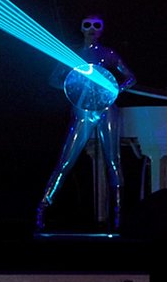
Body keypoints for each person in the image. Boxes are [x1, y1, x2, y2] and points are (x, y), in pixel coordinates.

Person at [36, 14, 135, 232]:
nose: (91, 28)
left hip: (106, 108)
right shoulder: (73, 54)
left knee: (113, 160)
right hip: (83, 110)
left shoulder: (108, 53)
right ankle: (42, 208)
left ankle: (119, 215)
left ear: (101, 29)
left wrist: (114, 90)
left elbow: (130, 77)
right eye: (87, 25)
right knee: (66, 161)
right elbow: (53, 79)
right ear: (81, 28)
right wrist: (74, 86)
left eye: (96, 25)